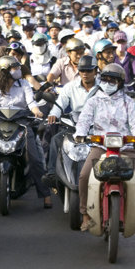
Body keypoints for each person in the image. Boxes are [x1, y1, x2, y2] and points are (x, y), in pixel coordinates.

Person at [75, 64, 135, 250]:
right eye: (104, 79)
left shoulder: (128, 102)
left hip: (125, 149)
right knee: (83, 176)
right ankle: (85, 215)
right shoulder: (94, 101)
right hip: (100, 148)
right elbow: (84, 120)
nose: (108, 83)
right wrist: (80, 133)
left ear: (120, 82)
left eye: (112, 80)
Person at [0, 56, 52, 207]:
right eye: (14, 68)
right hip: (0, 125)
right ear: (5, 71)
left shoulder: (24, 84)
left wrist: (36, 111)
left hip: (22, 125)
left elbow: (31, 102)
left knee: (35, 158)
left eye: (17, 67)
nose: (18, 70)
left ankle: (45, 194)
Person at [42, 56, 101, 185]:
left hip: (97, 128)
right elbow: (59, 104)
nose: (85, 74)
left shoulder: (103, 87)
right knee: (56, 139)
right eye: (82, 70)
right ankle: (52, 173)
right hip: (74, 125)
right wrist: (54, 115)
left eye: (89, 70)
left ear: (96, 71)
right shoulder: (70, 87)